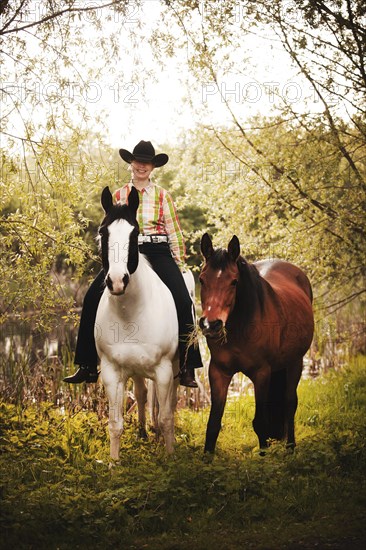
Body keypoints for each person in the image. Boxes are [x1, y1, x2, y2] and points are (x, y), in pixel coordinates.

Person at [63, 140, 202, 388]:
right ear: (131, 163)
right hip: (125, 252)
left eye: (146, 163)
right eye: (138, 161)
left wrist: (179, 263)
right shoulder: (117, 195)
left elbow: (175, 232)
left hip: (158, 251)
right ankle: (86, 364)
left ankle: (188, 365)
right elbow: (108, 232)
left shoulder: (162, 196)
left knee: (182, 298)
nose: (141, 166)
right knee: (91, 297)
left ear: (152, 167)